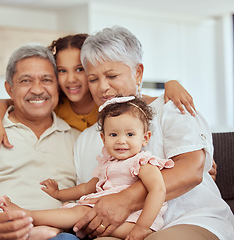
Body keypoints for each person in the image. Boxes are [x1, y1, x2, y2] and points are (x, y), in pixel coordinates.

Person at [68, 25, 234, 240]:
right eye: (93, 79)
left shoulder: (171, 107)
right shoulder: (87, 138)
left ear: (138, 73)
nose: (102, 88)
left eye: (112, 75)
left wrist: (126, 198)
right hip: (125, 228)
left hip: (189, 217)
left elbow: (192, 169)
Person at [0, 33, 196, 164]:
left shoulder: (107, 99)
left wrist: (171, 84)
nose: (71, 79)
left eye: (80, 69)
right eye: (61, 71)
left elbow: (143, 102)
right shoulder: (55, 101)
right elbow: (7, 102)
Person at [0, 43, 80, 240]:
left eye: (46, 80)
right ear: (9, 89)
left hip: (54, 233)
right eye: (25, 80)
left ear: (57, 87)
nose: (37, 89)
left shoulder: (79, 139)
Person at [0, 96, 175, 240]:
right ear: (103, 138)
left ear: (145, 138)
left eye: (130, 134)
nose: (121, 140)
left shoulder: (142, 162)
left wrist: (142, 228)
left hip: (136, 222)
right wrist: (58, 194)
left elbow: (159, 190)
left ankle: (27, 215)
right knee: (77, 210)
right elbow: (86, 187)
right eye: (113, 134)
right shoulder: (107, 164)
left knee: (81, 213)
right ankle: (51, 230)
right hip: (107, 218)